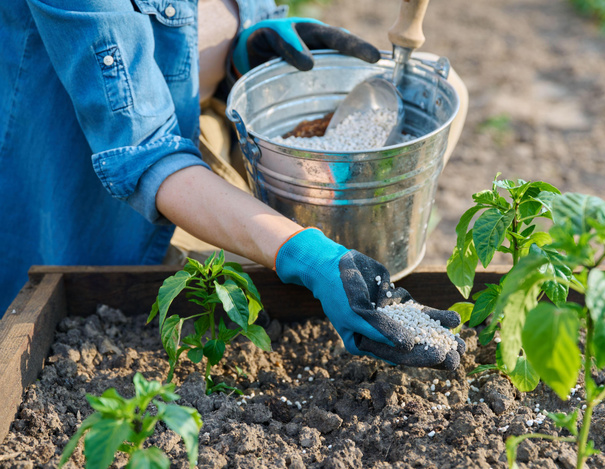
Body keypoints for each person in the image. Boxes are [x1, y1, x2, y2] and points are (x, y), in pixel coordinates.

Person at [0, 0, 465, 370]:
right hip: (78, 193)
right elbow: (146, 153)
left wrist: (243, 46)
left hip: (190, 150)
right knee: (78, 332)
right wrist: (308, 255)